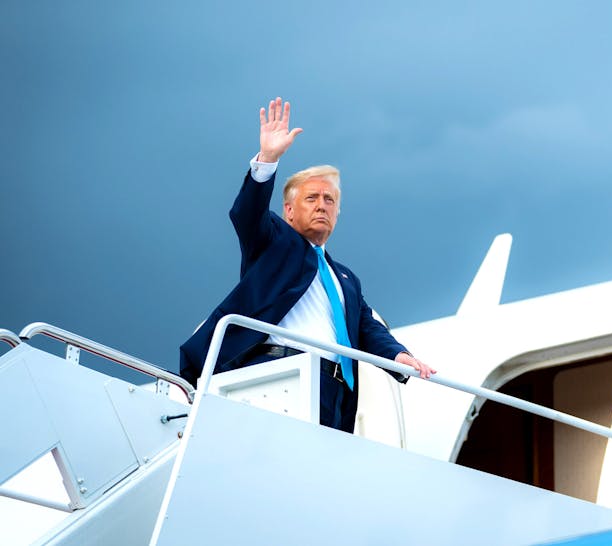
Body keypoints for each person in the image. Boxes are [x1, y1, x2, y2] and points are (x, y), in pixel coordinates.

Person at [179, 97, 435, 432]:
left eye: (330, 200)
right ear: (288, 211)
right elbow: (246, 214)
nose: (322, 206)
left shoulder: (345, 278)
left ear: (338, 213)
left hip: (336, 391)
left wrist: (399, 357)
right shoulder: (274, 243)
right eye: (311, 198)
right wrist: (268, 159)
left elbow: (367, 328)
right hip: (281, 373)